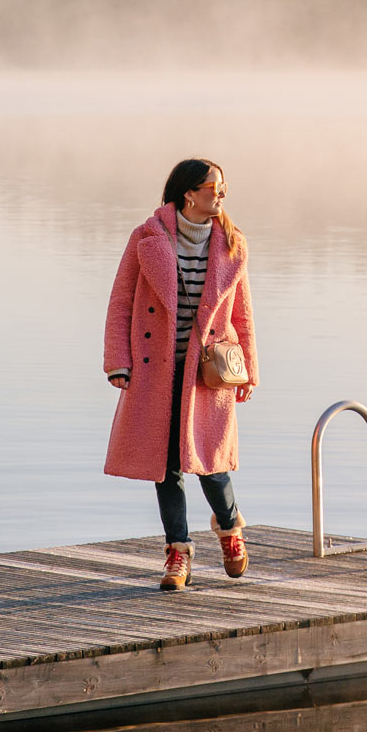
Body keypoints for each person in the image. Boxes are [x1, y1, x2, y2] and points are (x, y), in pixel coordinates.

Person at [103, 158, 258, 590]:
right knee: (166, 465)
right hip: (157, 372)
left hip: (207, 374)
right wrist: (118, 361)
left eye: (223, 186)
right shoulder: (147, 238)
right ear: (190, 192)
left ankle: (230, 531)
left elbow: (242, 315)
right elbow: (121, 302)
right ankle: (178, 553)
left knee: (210, 464)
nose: (222, 193)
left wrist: (248, 371)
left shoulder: (232, 242)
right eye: (215, 186)